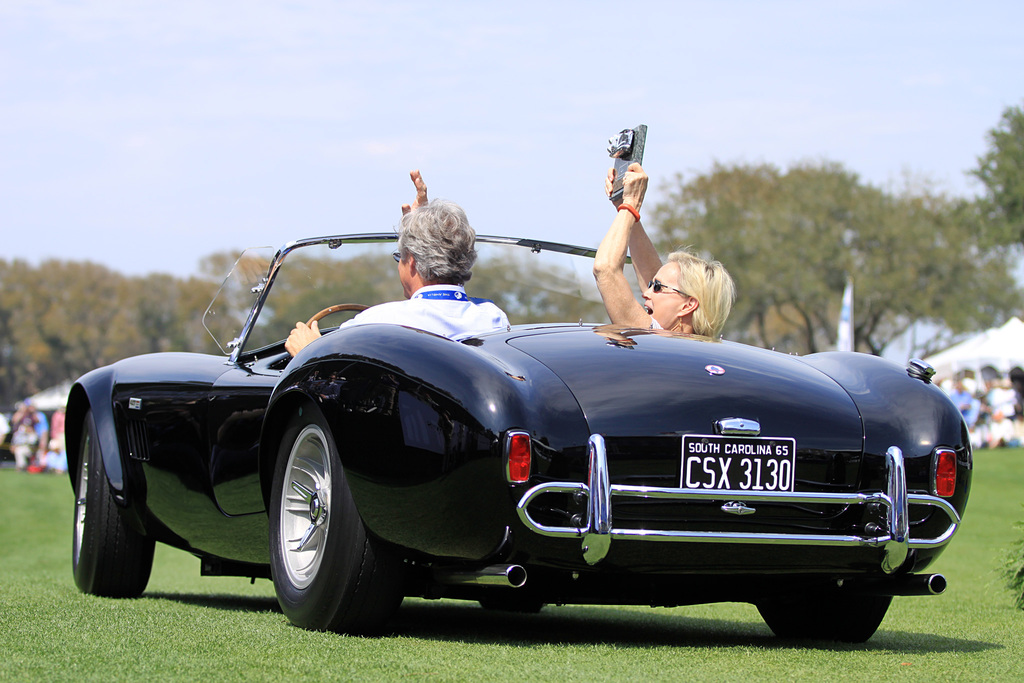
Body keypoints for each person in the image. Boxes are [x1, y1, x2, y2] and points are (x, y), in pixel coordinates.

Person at [285, 170, 510, 356]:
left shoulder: (376, 323)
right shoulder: (493, 317)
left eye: (399, 256)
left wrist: (308, 351)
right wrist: (425, 230)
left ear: (411, 261)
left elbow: (331, 376)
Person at [593, 163, 735, 337]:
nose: (646, 293)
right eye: (652, 285)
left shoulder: (654, 341)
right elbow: (653, 272)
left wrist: (631, 205)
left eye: (657, 287)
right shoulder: (692, 346)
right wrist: (624, 203)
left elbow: (605, 269)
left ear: (688, 305)